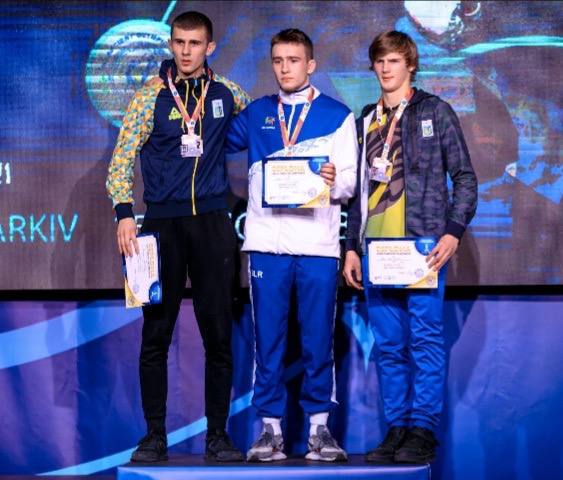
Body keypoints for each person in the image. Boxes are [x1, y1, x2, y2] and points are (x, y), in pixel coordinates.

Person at [106, 10, 250, 463]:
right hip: (160, 228)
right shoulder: (149, 95)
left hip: (212, 225)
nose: (186, 52)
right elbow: (121, 160)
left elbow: (267, 133)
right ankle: (154, 436)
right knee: (156, 334)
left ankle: (217, 437)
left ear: (210, 47)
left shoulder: (229, 93)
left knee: (218, 335)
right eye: (179, 42)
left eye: (195, 43)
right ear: (171, 44)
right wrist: (124, 214)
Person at [343, 30, 477, 464]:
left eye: (394, 61)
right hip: (377, 251)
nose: (386, 68)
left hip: (421, 248)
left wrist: (453, 231)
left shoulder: (435, 111)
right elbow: (358, 191)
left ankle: (422, 429)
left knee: (425, 342)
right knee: (389, 346)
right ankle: (397, 427)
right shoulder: (366, 119)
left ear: (411, 65)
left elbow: (465, 177)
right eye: (380, 61)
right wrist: (351, 247)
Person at [227, 28, 357, 462]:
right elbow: (215, 135)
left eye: (294, 60)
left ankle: (319, 430)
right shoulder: (258, 112)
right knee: (269, 341)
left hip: (318, 245)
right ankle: (271, 431)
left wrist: (334, 180)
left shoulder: (337, 115)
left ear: (310, 65)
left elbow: (352, 182)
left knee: (318, 339)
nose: (285, 68)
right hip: (267, 244)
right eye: (278, 61)